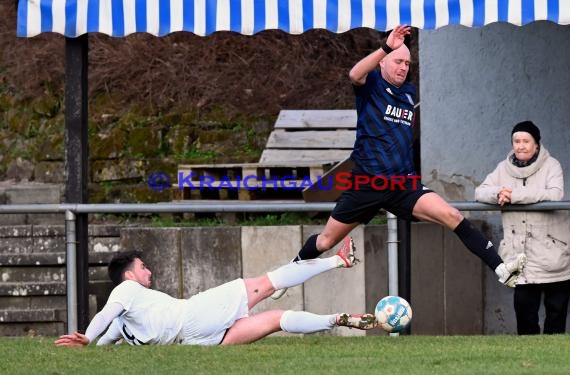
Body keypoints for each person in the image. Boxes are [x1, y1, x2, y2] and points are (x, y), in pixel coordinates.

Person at [272, 25, 527, 301]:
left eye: (407, 63)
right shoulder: (371, 86)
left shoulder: (408, 93)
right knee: (325, 241)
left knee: (453, 216)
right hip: (367, 183)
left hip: (403, 185)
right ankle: (288, 272)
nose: (403, 67)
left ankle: (501, 268)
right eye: (398, 61)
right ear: (383, 61)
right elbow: (354, 74)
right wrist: (385, 46)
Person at [55, 247, 377, 347]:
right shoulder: (126, 289)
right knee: (266, 283)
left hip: (197, 343)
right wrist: (86, 336)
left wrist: (88, 344)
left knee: (277, 320)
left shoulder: (126, 324)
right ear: (129, 275)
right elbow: (104, 316)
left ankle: (337, 319)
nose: (148, 272)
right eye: (143, 267)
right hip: (195, 314)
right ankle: (338, 261)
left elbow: (105, 337)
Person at [475, 121, 570, 335]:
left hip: (553, 253)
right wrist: (499, 192)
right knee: (525, 314)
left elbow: (555, 194)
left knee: (556, 314)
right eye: (516, 141)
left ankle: (552, 360)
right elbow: (480, 192)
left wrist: (514, 196)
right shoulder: (503, 168)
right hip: (520, 257)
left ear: (536, 144)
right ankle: (528, 360)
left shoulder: (551, 165)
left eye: (526, 141)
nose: (521, 146)